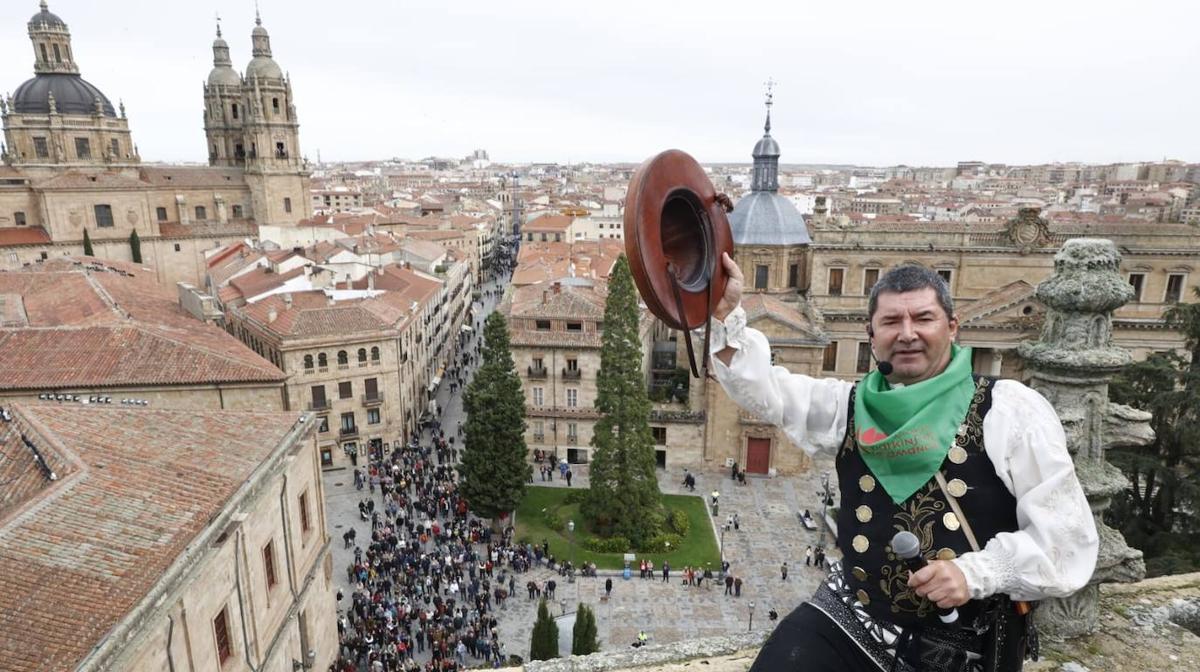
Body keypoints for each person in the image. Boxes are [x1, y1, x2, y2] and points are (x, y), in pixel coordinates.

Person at [704, 255, 1097, 672]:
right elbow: (769, 393)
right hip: (856, 615)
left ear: (952, 326)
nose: (907, 334)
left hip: (963, 641)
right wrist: (727, 314)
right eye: (891, 322)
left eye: (923, 318)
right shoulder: (851, 406)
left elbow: (1067, 537)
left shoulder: (1010, 409)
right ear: (872, 335)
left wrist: (973, 573)